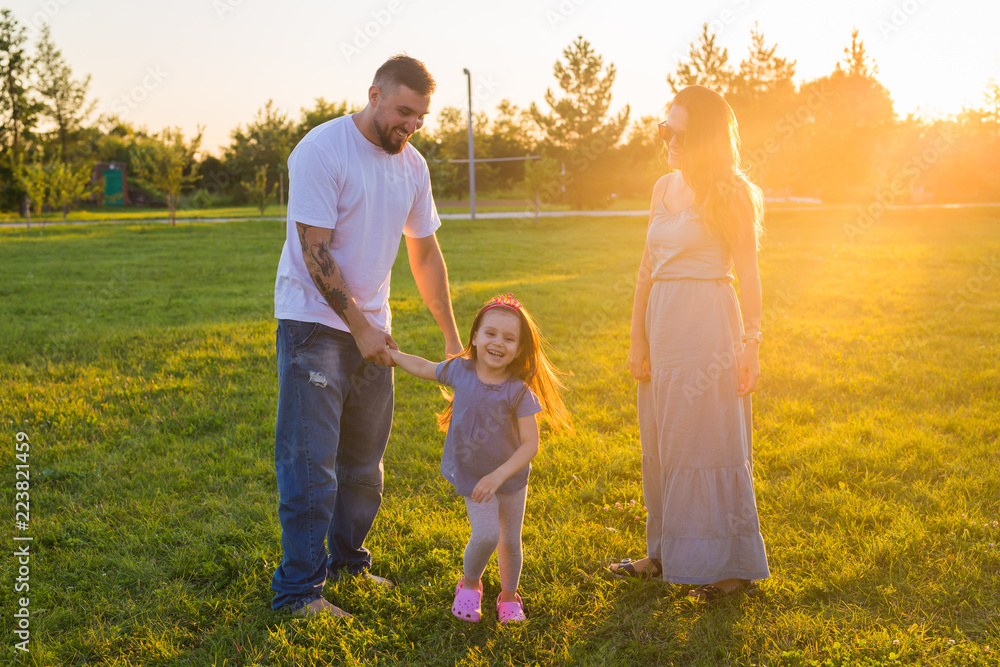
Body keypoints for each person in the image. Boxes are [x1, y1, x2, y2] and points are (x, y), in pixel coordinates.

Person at [271, 55, 463, 618]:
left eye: (422, 117)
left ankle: (348, 563)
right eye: (403, 111)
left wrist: (452, 338)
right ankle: (298, 593)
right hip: (316, 326)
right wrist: (359, 328)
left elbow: (425, 251)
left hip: (374, 331)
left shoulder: (413, 166)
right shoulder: (322, 149)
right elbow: (315, 249)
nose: (411, 125)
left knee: (362, 465)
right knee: (311, 466)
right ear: (375, 94)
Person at [608, 85, 770, 600]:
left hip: (710, 327)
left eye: (677, 133)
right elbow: (645, 269)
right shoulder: (662, 187)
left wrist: (752, 341)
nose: (667, 140)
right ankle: (663, 553)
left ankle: (726, 567)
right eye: (664, 129)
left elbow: (748, 272)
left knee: (709, 442)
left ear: (703, 137)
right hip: (664, 326)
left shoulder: (732, 191)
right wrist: (638, 338)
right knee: (664, 441)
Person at [388, 294, 572, 623]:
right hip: (473, 474)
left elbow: (531, 444)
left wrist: (499, 476)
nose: (498, 343)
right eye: (490, 333)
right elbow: (424, 367)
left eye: (509, 338)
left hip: (510, 479)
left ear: (519, 349)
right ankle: (470, 585)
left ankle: (509, 595)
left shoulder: (519, 392)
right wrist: (393, 356)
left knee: (510, 541)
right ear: (474, 336)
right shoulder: (461, 371)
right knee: (487, 534)